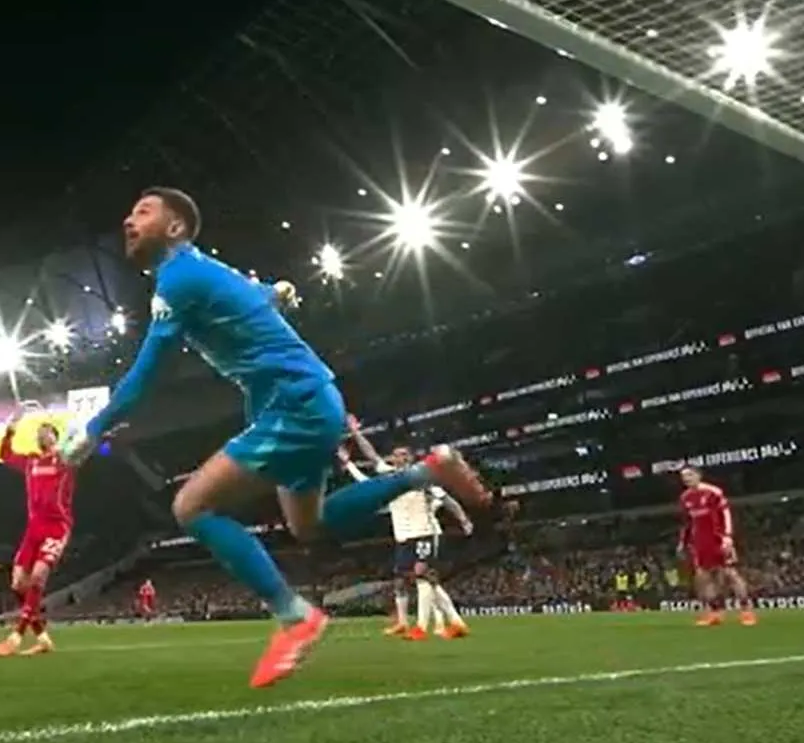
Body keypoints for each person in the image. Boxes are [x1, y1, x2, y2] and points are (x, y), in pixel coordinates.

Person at [63, 188, 491, 687]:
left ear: (175, 227)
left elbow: (148, 372)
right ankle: (424, 472)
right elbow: (254, 294)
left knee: (191, 507)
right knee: (310, 524)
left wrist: (94, 428)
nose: (128, 220)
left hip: (295, 404)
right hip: (307, 400)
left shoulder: (177, 279)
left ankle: (294, 616)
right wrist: (277, 291)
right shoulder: (204, 270)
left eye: (143, 212)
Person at [342, 423, 473, 640]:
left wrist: (463, 519)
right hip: (403, 538)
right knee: (421, 580)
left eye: (404, 455)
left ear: (410, 458)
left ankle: (420, 628)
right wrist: (356, 433)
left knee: (423, 577)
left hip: (424, 533)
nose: (400, 458)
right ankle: (456, 622)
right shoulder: (388, 477)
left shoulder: (420, 478)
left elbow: (446, 500)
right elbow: (372, 456)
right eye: (396, 455)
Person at [0, 405, 76, 657]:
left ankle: (16, 635)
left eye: (46, 430)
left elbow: (87, 446)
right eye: (39, 431)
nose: (41, 434)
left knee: (38, 577)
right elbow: (4, 454)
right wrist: (12, 427)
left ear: (55, 437)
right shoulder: (30, 462)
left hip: (57, 526)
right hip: (34, 528)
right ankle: (43, 638)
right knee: (18, 584)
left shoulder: (65, 461)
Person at [678, 467, 757, 627]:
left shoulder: (712, 492)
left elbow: (725, 514)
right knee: (703, 577)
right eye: (684, 476)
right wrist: (683, 542)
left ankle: (746, 611)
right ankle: (715, 613)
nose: (686, 478)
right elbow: (687, 523)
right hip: (700, 542)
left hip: (718, 539)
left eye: (690, 475)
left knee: (730, 574)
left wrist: (727, 536)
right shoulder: (685, 497)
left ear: (698, 475)